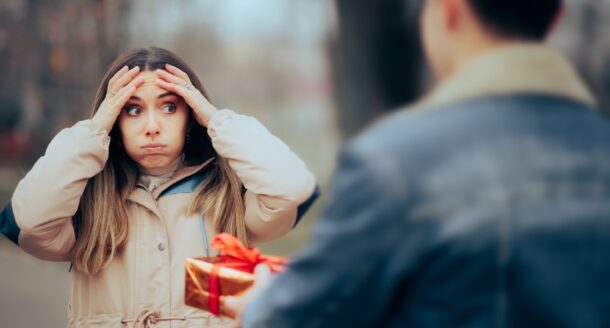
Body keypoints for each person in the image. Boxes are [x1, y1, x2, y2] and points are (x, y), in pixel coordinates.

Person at [226, 0, 610, 327]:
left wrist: (261, 304)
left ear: (448, 10)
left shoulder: (394, 163)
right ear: (557, 16)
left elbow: (299, 317)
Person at [0, 47, 318, 327]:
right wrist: (95, 129)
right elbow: (28, 220)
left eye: (169, 107)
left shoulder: (225, 198)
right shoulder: (84, 202)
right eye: (133, 110)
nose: (152, 128)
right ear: (116, 121)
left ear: (190, 116)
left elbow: (292, 187)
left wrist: (216, 119)